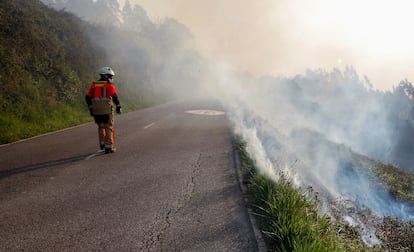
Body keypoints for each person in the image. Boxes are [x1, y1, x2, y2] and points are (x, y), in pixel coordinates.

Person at [85, 67, 122, 153]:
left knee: (101, 126)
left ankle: (102, 144)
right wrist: (118, 106)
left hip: (96, 111)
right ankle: (108, 147)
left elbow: (87, 97)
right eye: (110, 76)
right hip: (106, 110)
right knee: (108, 127)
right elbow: (115, 98)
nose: (111, 78)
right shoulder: (109, 86)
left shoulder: (93, 85)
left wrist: (91, 108)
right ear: (105, 76)